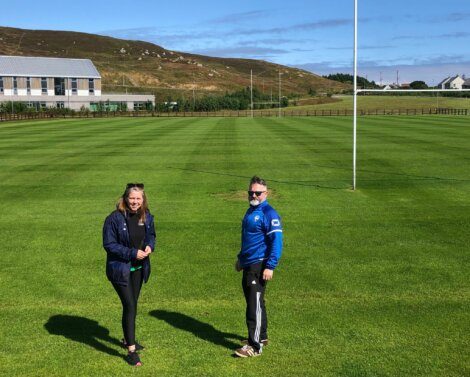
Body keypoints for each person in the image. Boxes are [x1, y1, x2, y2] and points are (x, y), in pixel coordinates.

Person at [102, 183, 156, 366]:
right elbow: (109, 245)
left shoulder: (146, 215)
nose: (134, 202)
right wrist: (132, 253)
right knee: (130, 305)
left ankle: (127, 338)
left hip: (138, 270)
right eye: (131, 198)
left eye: (138, 199)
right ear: (125, 198)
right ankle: (131, 350)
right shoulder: (114, 219)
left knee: (131, 306)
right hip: (120, 270)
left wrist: (150, 246)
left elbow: (151, 235)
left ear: (143, 200)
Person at [234, 176, 283, 358]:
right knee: (256, 302)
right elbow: (248, 239)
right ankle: (261, 337)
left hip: (259, 265)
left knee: (253, 305)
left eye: (258, 192)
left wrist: (270, 266)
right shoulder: (250, 211)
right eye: (251, 192)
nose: (253, 195)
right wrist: (240, 259)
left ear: (266, 193)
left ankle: (254, 347)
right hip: (249, 263)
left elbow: (276, 242)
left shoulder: (269, 214)